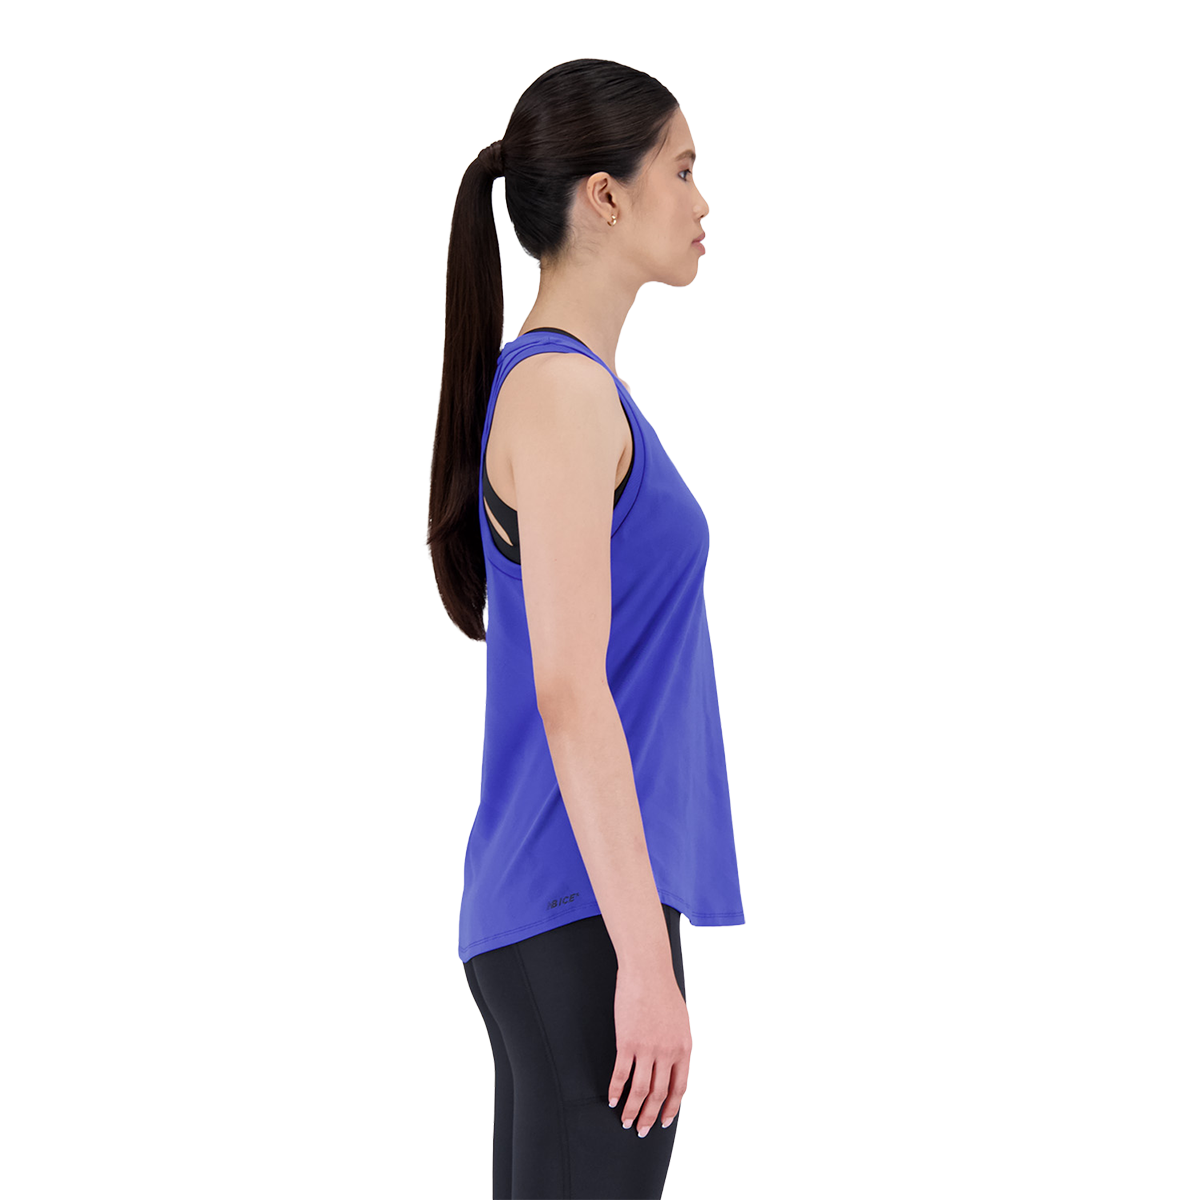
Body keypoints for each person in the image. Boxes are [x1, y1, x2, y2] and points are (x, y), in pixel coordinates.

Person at [425, 57, 745, 1200]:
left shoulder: (572, 391)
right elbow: (569, 686)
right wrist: (644, 962)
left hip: (567, 912)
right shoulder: (563, 394)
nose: (705, 200)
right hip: (582, 915)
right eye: (683, 170)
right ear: (605, 196)